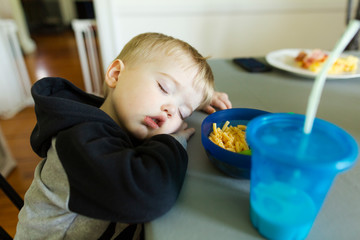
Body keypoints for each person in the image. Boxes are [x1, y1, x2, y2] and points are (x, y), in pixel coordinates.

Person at [14, 32, 231, 240]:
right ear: (116, 74)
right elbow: (150, 195)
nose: (171, 110)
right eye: (164, 88)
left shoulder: (119, 118)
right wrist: (173, 142)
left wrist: (199, 98)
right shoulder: (77, 140)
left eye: (183, 111)